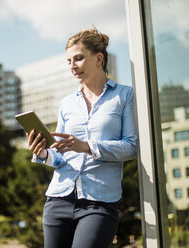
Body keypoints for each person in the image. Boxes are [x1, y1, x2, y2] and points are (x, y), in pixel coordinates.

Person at [26, 28, 138, 248]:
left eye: (78, 58)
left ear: (98, 58)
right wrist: (43, 153)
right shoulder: (67, 103)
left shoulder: (125, 96)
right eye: (69, 61)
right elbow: (60, 156)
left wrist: (87, 146)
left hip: (99, 204)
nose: (72, 66)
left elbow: (131, 147)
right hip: (58, 200)